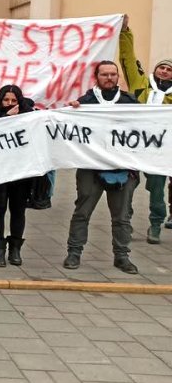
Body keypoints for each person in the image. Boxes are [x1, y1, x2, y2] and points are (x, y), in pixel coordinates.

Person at [63, 61, 141, 274]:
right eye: (104, 74)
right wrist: (72, 111)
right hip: (91, 168)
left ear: (118, 77)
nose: (109, 78)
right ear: (96, 77)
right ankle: (74, 252)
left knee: (122, 216)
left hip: (123, 169)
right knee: (82, 212)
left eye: (113, 74)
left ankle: (122, 256)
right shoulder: (84, 102)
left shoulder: (130, 102)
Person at [118, 15, 172, 244]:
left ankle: (156, 224)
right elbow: (128, 59)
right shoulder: (141, 83)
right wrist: (125, 31)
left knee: (157, 190)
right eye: (161, 67)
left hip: (160, 149)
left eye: (169, 69)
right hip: (134, 144)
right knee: (127, 186)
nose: (164, 71)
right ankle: (125, 222)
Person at [0, 85, 36, 267]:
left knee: (18, 210)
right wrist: (6, 118)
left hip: (20, 173)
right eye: (6, 100)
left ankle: (15, 249)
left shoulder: (29, 115)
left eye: (13, 101)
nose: (10, 104)